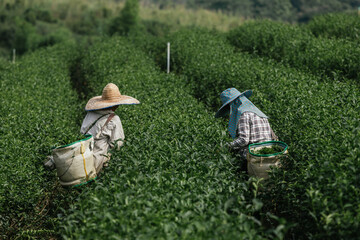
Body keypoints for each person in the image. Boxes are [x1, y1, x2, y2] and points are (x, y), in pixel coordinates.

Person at [44, 83, 140, 174]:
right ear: (116, 104)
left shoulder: (90, 114)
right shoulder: (114, 120)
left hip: (81, 160)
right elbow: (118, 144)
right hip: (97, 163)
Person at [215, 88, 275, 159]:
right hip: (269, 150)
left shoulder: (244, 114)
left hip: (254, 153)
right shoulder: (259, 113)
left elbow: (244, 140)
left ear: (234, 103)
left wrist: (227, 146)